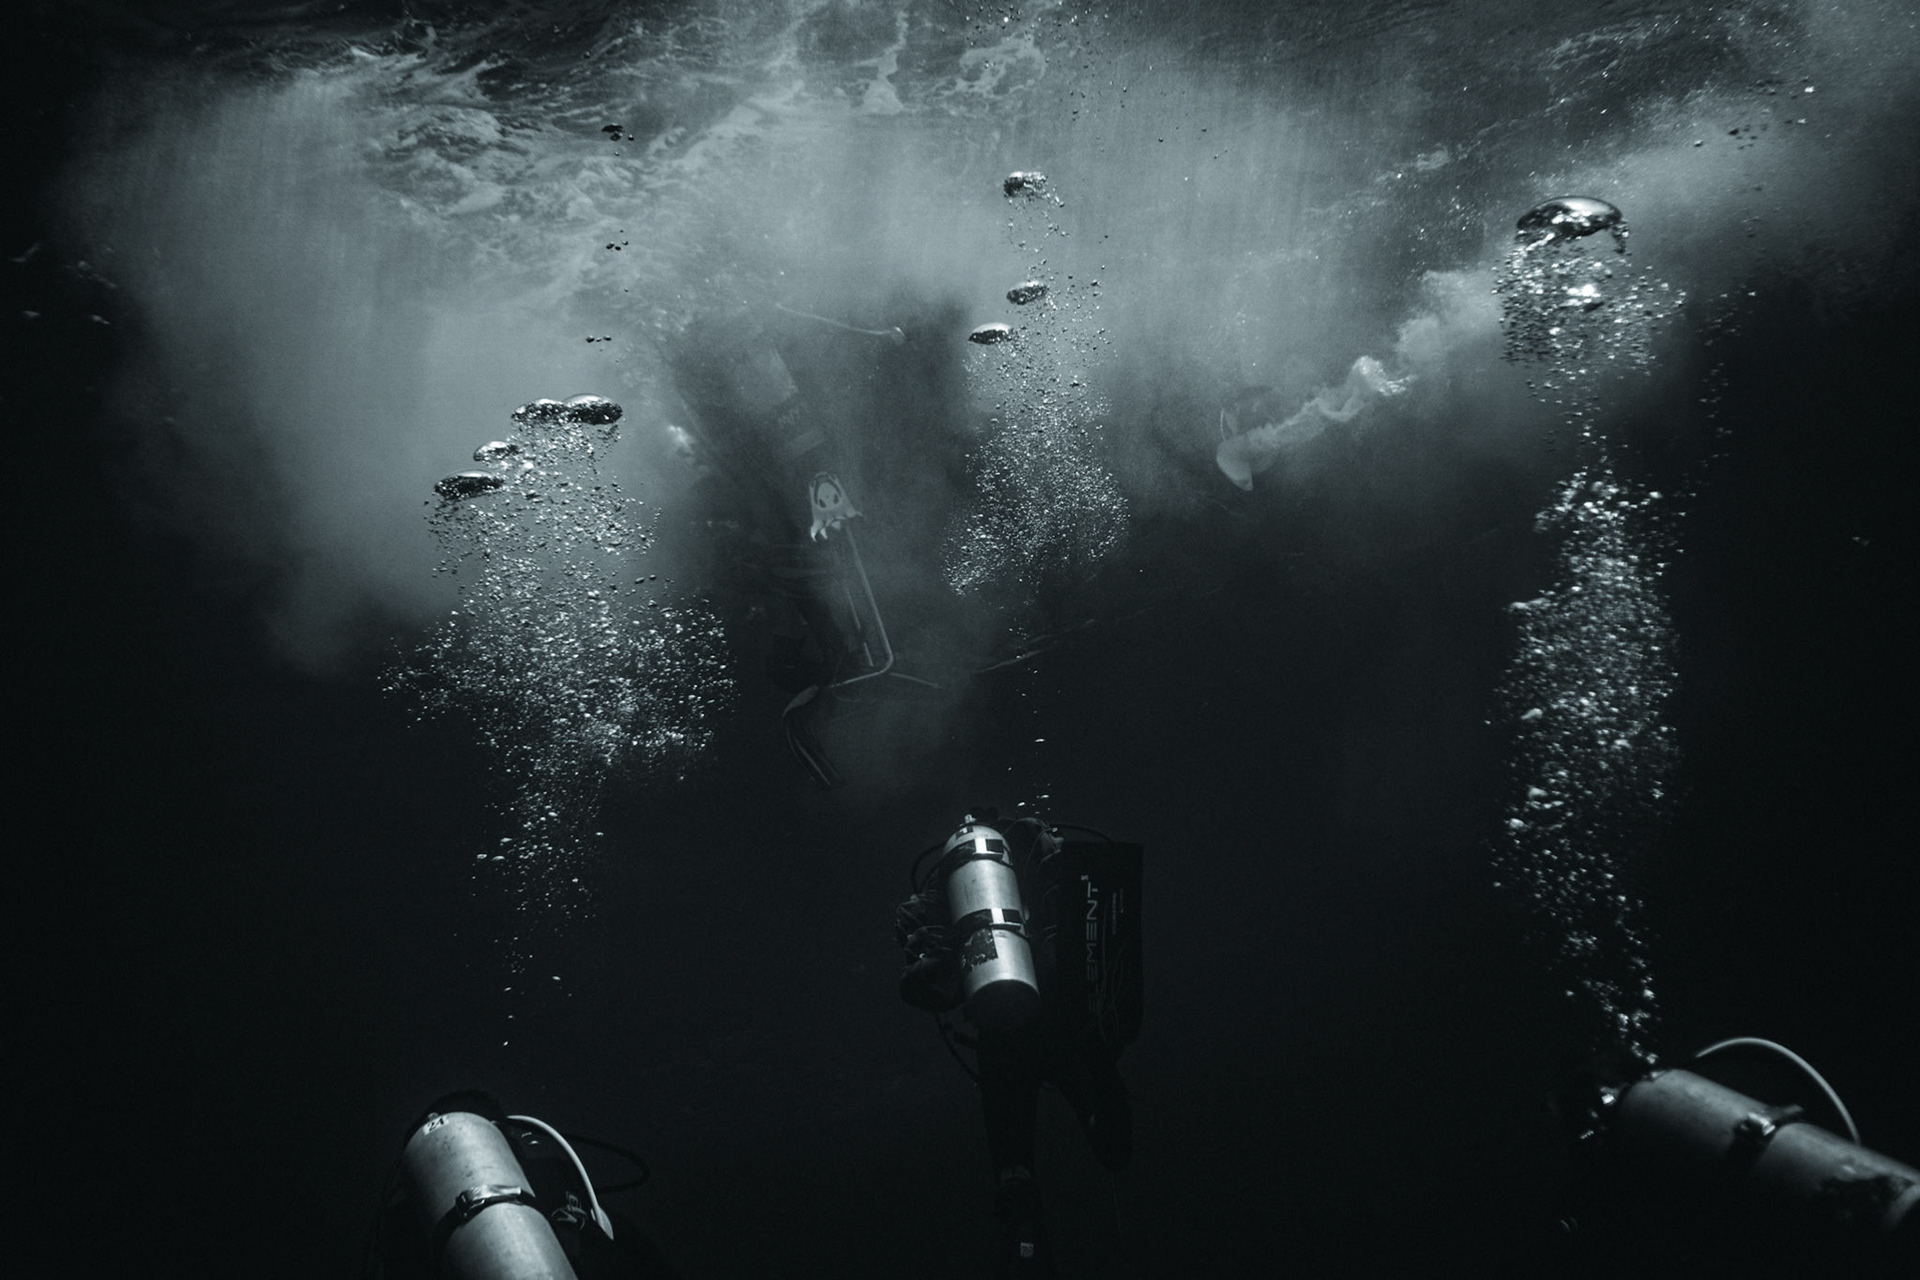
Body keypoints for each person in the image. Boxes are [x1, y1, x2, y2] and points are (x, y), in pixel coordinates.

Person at [897, 812, 1141, 1276]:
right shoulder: (1041, 849)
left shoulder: (944, 880)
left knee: (1014, 1174)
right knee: (1108, 1130)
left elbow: (928, 978)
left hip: (1000, 1036)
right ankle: (1100, 1126)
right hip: (1062, 1021)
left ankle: (1025, 1252)